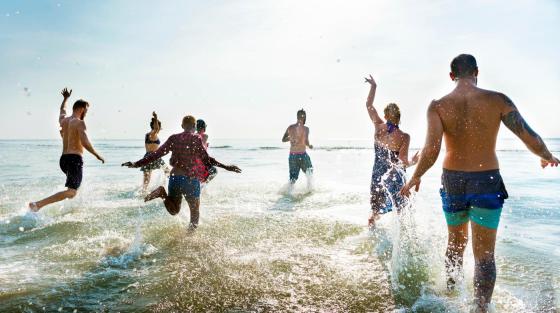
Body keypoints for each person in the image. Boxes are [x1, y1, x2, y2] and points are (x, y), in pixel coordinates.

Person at [400, 54, 559, 312]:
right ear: (476, 72)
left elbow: (431, 150)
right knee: (484, 256)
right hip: (486, 181)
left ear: (451, 75)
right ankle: (480, 308)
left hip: (452, 182)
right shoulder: (497, 100)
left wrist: (416, 175)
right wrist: (546, 156)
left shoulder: (438, 105)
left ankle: (450, 296)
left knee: (455, 245)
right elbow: (527, 135)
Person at [122, 115, 241, 229]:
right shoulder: (196, 138)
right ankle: (189, 240)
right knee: (194, 215)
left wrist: (136, 164)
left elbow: (156, 154)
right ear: (194, 126)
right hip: (190, 179)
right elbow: (206, 159)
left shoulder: (174, 138)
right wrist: (226, 167)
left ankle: (162, 193)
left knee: (174, 211)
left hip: (175, 178)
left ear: (182, 125)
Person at [29, 88, 105, 211]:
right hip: (74, 159)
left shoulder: (63, 120)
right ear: (82, 109)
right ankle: (37, 205)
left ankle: (72, 210)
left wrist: (65, 99)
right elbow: (85, 142)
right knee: (72, 192)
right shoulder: (79, 123)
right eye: (86, 110)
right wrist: (97, 154)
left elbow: (62, 110)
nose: (86, 112)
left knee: (73, 190)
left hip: (63, 160)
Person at [364, 75, 419, 228]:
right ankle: (401, 242)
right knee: (401, 212)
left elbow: (368, 104)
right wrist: (415, 162)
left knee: (374, 214)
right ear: (399, 118)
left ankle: (371, 242)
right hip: (394, 179)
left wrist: (374, 86)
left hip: (377, 177)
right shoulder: (404, 137)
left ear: (386, 115)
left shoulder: (378, 127)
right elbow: (402, 164)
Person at [282, 109, 314, 186]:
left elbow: (283, 139)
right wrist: (309, 145)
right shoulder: (305, 129)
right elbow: (306, 141)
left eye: (302, 115)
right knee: (309, 172)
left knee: (293, 178)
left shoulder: (291, 127)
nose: (302, 117)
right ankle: (309, 190)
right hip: (302, 155)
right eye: (302, 115)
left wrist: (291, 138)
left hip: (293, 155)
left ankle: (288, 194)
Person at [140, 111, 170, 192]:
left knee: (146, 179)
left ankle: (143, 192)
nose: (159, 129)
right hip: (153, 156)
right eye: (158, 127)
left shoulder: (149, 134)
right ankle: (173, 188)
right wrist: (156, 117)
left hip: (147, 156)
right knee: (168, 173)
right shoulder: (152, 134)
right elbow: (156, 128)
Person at [195, 119, 218, 184]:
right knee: (214, 171)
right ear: (204, 127)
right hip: (201, 162)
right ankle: (203, 186)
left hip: (196, 161)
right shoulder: (205, 136)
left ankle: (201, 185)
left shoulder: (193, 135)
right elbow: (203, 148)